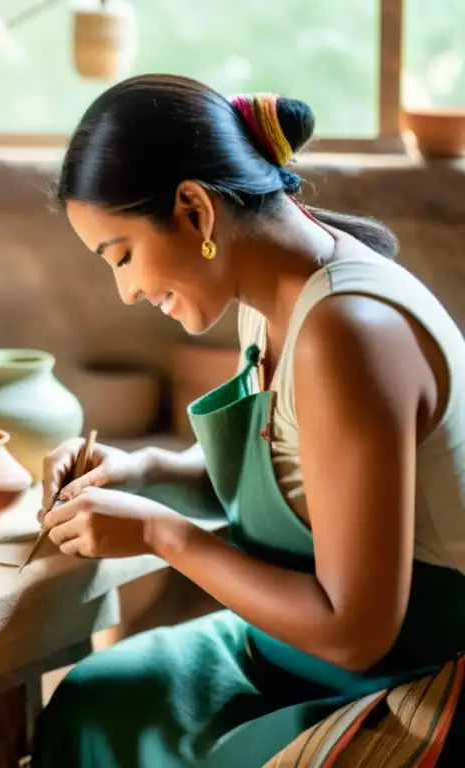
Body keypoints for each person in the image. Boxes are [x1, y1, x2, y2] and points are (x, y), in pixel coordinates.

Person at [30, 73, 465, 767]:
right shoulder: (270, 302)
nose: (128, 291)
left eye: (123, 256)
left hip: (406, 681)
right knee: (92, 700)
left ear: (195, 210)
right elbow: (301, 479)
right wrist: (142, 472)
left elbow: (357, 633)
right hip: (298, 654)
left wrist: (158, 533)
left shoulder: (348, 332)